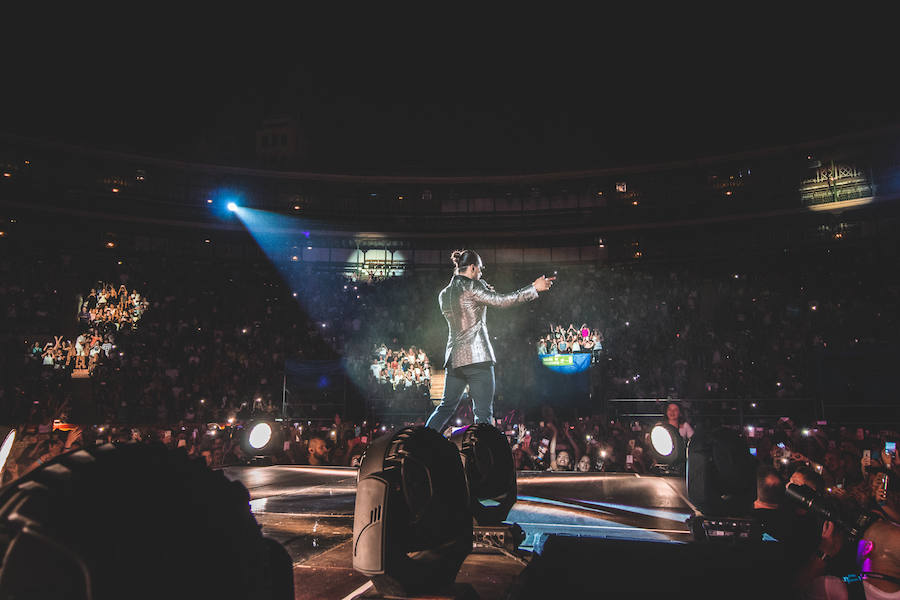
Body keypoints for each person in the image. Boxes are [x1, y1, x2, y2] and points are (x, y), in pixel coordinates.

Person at [424, 249, 554, 432]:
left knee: (445, 408)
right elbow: (502, 301)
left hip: (454, 359)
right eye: (480, 270)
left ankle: (420, 441)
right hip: (477, 358)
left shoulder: (444, 294)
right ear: (472, 267)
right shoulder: (473, 287)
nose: (481, 273)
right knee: (483, 414)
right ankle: (482, 455)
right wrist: (533, 287)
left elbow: (467, 302)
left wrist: (482, 285)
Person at [804, 518, 900, 599]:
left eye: (861, 538)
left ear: (867, 547)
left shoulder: (834, 588)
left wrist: (823, 552)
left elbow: (797, 591)